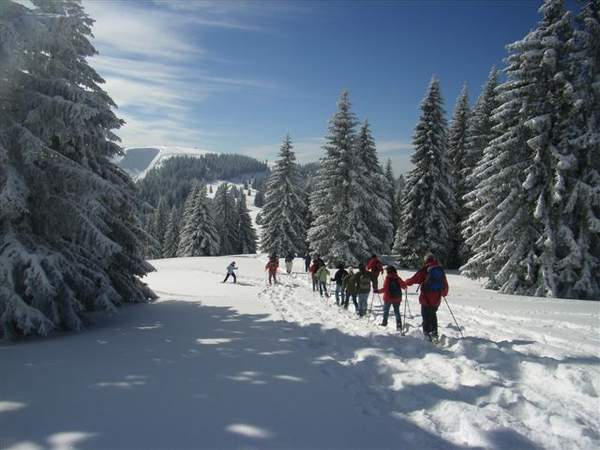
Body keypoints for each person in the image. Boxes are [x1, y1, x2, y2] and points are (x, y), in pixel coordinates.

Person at [405, 253, 449, 341]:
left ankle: (427, 335)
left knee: (426, 317)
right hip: (436, 298)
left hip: (426, 298)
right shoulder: (439, 270)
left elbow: (415, 279)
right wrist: (444, 293)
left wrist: (407, 282)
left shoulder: (425, 269)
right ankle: (435, 334)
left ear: (426, 260)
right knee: (433, 315)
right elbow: (445, 284)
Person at [374, 266, 407, 331]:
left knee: (386, 311)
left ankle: (384, 322)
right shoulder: (397, 278)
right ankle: (399, 325)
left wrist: (378, 291)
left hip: (388, 298)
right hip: (397, 298)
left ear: (388, 271)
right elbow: (404, 286)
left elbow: (385, 289)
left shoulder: (388, 278)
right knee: (397, 311)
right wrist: (405, 284)